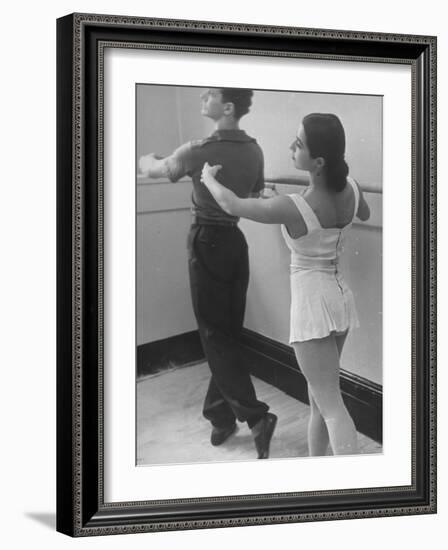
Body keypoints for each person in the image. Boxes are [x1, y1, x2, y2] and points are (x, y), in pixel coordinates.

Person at [201, 113, 371, 456]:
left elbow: (231, 203)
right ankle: (316, 472)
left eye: (299, 144)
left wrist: (207, 178)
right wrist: (284, 200)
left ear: (318, 161)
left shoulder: (292, 206)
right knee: (319, 399)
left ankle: (352, 488)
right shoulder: (350, 187)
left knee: (332, 407)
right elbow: (361, 213)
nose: (292, 147)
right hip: (338, 300)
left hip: (313, 306)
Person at [139, 88, 277, 459]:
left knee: (215, 334)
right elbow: (256, 191)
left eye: (210, 94)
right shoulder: (255, 150)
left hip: (206, 242)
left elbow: (157, 168)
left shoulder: (197, 149)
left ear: (227, 108)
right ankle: (220, 416)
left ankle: (256, 416)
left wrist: (143, 158)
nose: (201, 96)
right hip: (236, 242)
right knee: (227, 332)